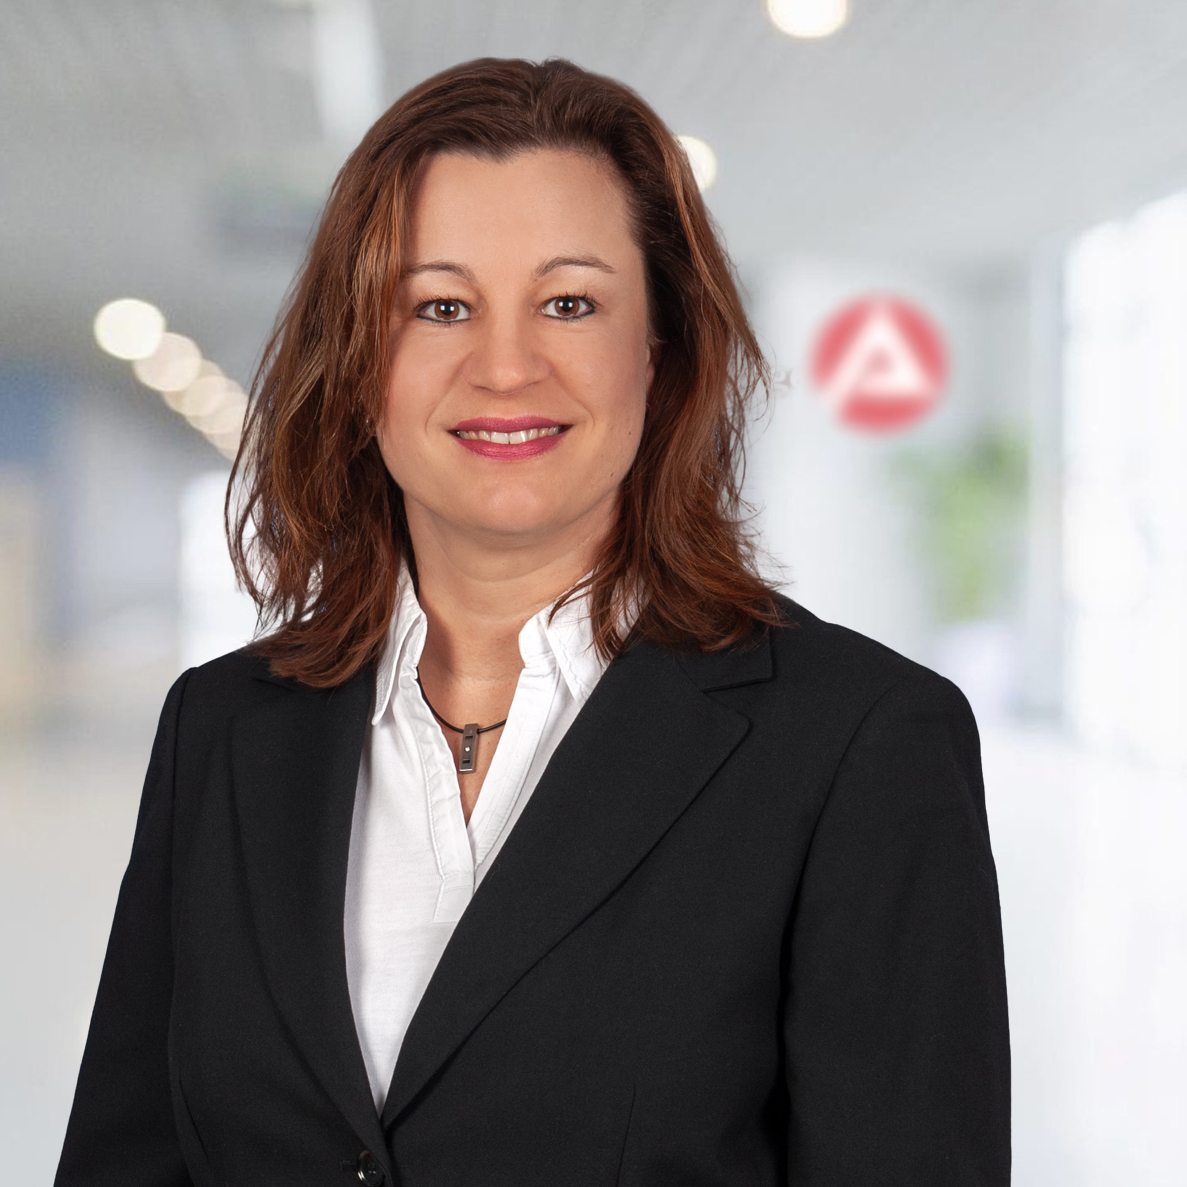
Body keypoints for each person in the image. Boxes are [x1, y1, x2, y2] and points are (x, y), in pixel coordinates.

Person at [55, 57, 1010, 1187]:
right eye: (438, 306)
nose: (504, 366)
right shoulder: (221, 728)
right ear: (358, 359)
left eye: (569, 303)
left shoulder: (859, 740)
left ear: (658, 346)